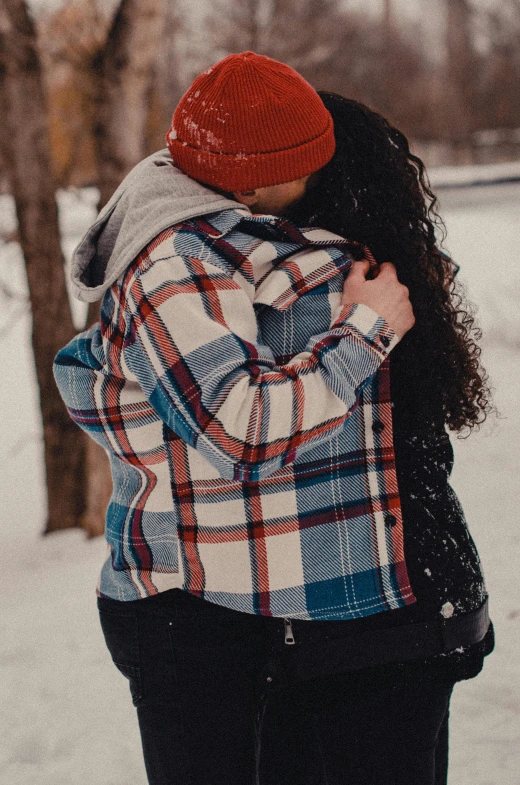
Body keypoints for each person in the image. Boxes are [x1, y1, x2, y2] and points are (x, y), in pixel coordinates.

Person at [53, 52, 493, 785]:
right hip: (195, 604)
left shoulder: (269, 246)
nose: (317, 179)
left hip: (298, 609)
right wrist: (361, 333)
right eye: (306, 166)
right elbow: (242, 432)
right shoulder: (176, 264)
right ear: (250, 179)